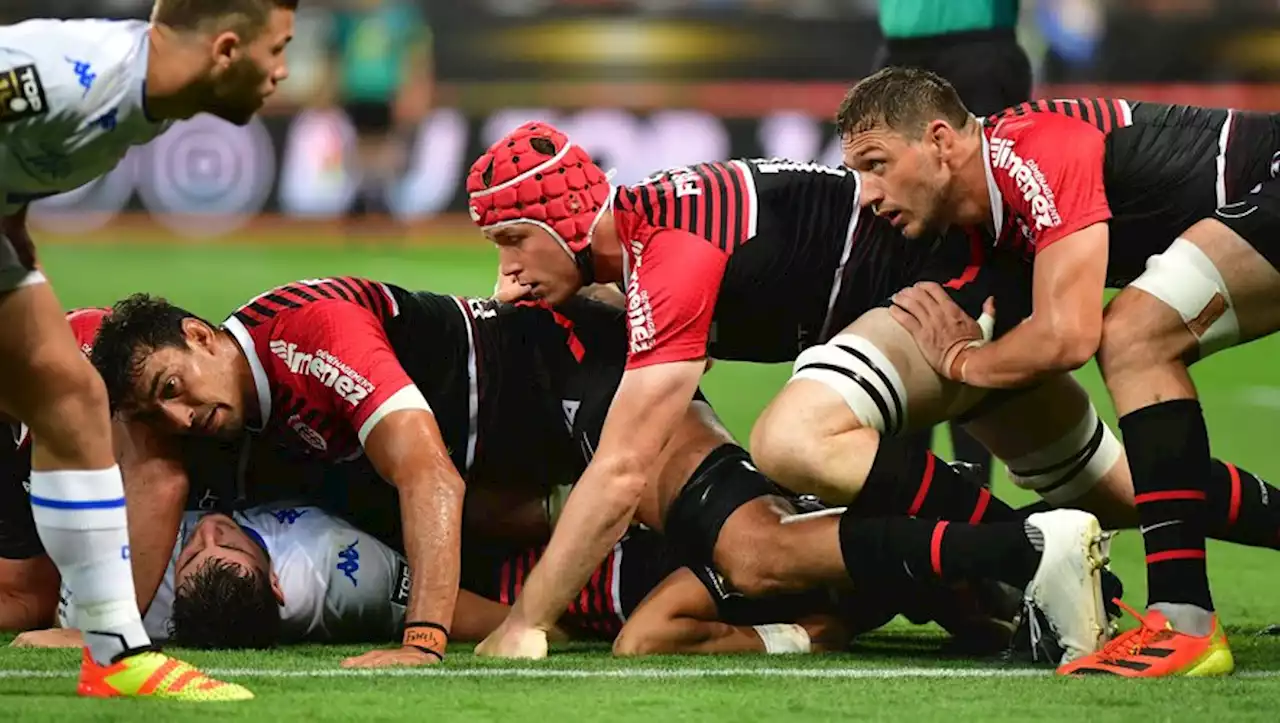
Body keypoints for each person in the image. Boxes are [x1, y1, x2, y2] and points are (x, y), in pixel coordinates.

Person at [466, 122, 1117, 665]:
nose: (507, 274)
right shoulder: (653, 231)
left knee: (793, 440)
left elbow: (623, 468)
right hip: (947, 289)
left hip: (946, 296)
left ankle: (1033, 549)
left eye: (513, 239)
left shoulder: (671, 253)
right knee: (1130, 493)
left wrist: (527, 619)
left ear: (567, 223)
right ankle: (1075, 566)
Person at [834, 66, 1280, 676]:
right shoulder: (986, 225)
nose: (866, 192)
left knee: (1135, 336)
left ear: (939, 141)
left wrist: (965, 362)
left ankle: (1185, 622)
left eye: (876, 164)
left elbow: (1069, 335)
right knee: (1143, 365)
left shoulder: (1028, 147)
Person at [0, 0, 294, 701]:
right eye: (277, 49)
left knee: (73, 399)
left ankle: (114, 654)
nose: (282, 72)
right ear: (226, 49)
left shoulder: (142, 101)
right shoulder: (76, 76)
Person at [874, 0, 1034, 484]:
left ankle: (973, 475)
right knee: (895, 251)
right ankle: (906, 475)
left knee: (976, 242)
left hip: (975, 48)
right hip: (901, 54)